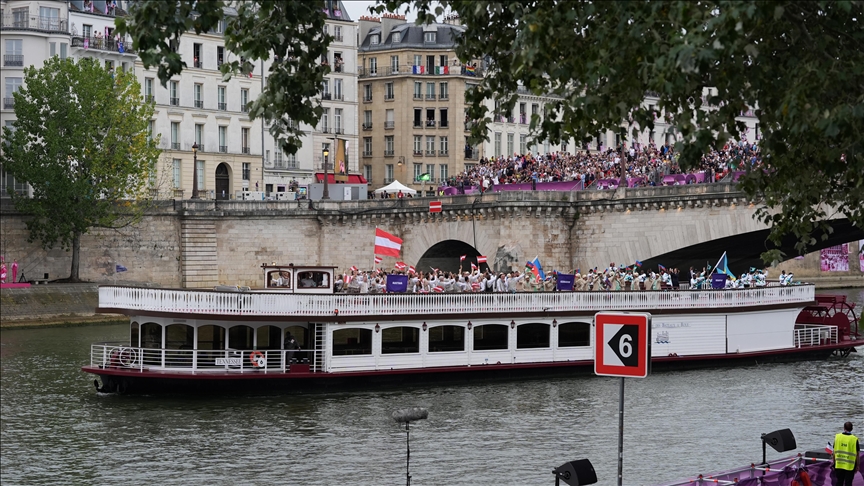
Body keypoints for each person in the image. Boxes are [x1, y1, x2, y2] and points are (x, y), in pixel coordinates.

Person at [832, 421, 859, 486]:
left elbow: (834, 452)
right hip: (850, 466)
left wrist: (834, 463)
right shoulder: (854, 439)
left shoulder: (837, 437)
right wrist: (857, 465)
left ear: (844, 428)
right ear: (852, 429)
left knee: (839, 482)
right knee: (848, 483)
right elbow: (857, 454)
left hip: (839, 464)